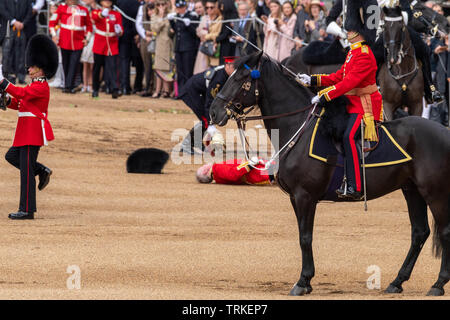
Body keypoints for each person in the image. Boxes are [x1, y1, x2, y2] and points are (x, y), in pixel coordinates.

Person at [297, 0, 383, 200]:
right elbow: (339, 76)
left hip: (365, 105)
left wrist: (324, 95)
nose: (348, 32)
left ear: (359, 32)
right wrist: (313, 80)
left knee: (348, 137)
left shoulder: (364, 54)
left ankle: (356, 186)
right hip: (352, 103)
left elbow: (348, 84)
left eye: (350, 29)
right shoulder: (353, 52)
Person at [0, 34, 58, 220]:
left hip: (32, 132)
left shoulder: (41, 86)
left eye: (32, 66)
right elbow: (19, 103)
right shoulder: (35, 85)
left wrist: (2, 81)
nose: (29, 68)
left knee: (26, 173)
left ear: (41, 69)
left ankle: (27, 209)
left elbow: (21, 93)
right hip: (24, 130)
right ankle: (41, 170)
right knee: (12, 156)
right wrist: (6, 100)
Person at [178, 56, 236, 154]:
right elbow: (209, 102)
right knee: (205, 120)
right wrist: (211, 125)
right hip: (191, 92)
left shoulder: (227, 75)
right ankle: (186, 145)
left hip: (201, 92)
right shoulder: (219, 79)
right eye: (234, 68)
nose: (236, 71)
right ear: (227, 66)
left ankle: (196, 142)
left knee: (207, 120)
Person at [49, 0, 93, 94]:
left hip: (78, 42)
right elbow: (52, 22)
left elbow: (89, 26)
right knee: (66, 64)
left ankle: (69, 86)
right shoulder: (62, 8)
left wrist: (87, 39)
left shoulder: (84, 10)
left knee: (74, 63)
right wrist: (54, 35)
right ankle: (68, 84)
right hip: (65, 41)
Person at [91, 0, 124, 98]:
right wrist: (102, 14)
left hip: (112, 43)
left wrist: (120, 31)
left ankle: (115, 89)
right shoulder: (96, 11)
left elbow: (120, 28)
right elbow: (95, 18)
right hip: (100, 43)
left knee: (113, 67)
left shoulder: (116, 14)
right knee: (97, 68)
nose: (107, 1)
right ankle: (95, 89)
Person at [168, 0, 200, 93]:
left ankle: (188, 92)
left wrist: (189, 25)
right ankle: (181, 91)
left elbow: (194, 33)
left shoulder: (192, 16)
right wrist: (171, 21)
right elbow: (176, 30)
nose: (179, 10)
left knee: (187, 70)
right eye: (178, 8)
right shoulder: (177, 16)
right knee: (180, 71)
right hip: (178, 47)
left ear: (185, 7)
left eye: (181, 8)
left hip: (188, 47)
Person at [0, 0, 33, 85]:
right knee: (7, 53)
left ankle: (21, 76)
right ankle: (6, 76)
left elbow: (29, 12)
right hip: (8, 28)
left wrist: (23, 23)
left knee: (21, 53)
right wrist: (14, 21)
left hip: (22, 29)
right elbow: (2, 10)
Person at [117, 0, 144, 95]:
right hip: (135, 35)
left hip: (123, 34)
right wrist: (137, 33)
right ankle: (137, 86)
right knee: (138, 62)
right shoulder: (137, 4)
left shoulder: (119, 3)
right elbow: (137, 19)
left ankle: (125, 87)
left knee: (124, 61)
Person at [152, 0, 174, 98]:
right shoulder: (154, 16)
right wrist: (161, 17)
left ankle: (167, 90)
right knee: (159, 68)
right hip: (160, 45)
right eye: (158, 4)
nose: (161, 6)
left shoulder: (171, 15)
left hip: (170, 45)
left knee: (168, 68)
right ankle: (158, 90)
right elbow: (155, 29)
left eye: (163, 4)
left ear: (167, 4)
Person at [196, 158, 271, 185]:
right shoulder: (216, 169)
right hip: (256, 171)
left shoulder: (217, 177)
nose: (204, 165)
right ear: (205, 171)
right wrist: (250, 164)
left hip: (256, 173)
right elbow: (233, 174)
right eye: (203, 167)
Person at [136, 0, 156, 97]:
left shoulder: (160, 6)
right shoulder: (142, 8)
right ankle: (148, 87)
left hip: (157, 39)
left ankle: (156, 88)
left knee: (157, 65)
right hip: (145, 40)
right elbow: (138, 24)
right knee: (147, 64)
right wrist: (144, 36)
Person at [216, 0, 238, 64]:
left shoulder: (231, 17)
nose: (221, 8)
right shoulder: (226, 16)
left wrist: (217, 39)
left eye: (222, 6)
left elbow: (226, 33)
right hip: (225, 44)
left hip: (229, 45)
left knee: (226, 64)